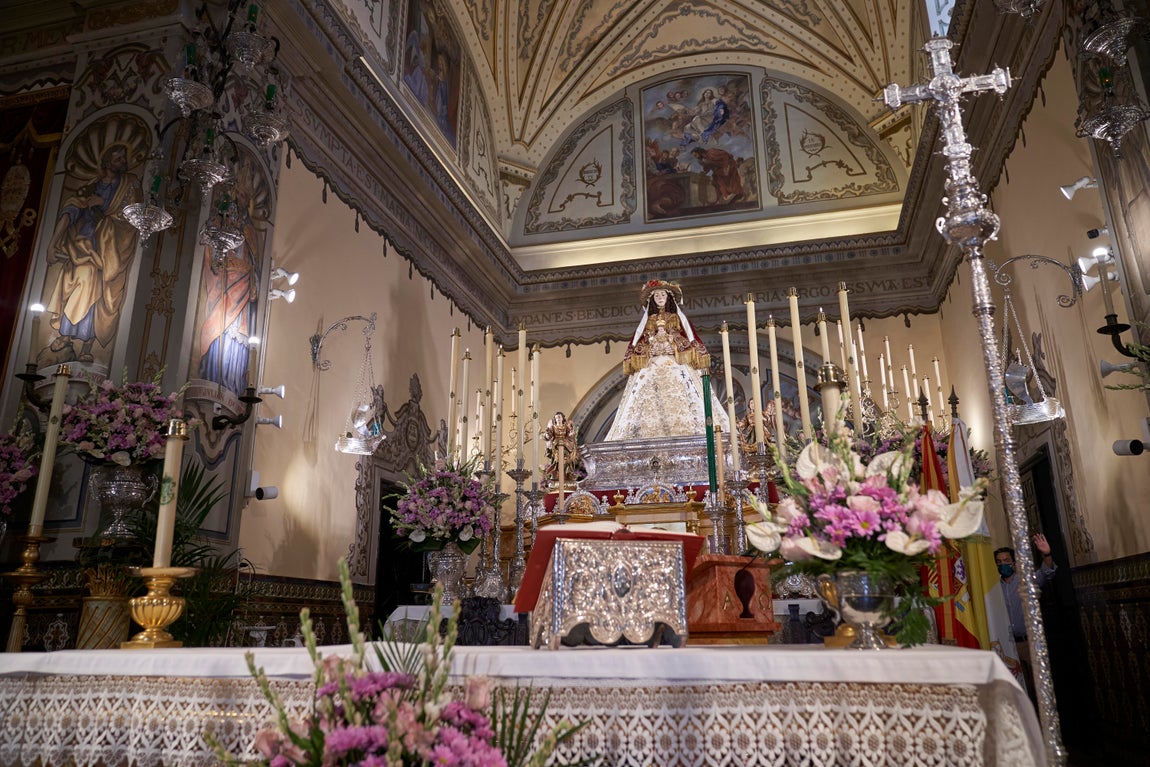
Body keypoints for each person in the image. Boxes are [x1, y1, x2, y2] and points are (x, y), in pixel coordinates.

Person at [44, 143, 141, 364]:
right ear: (107, 161)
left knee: (97, 292)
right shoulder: (92, 186)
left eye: (124, 159)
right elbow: (71, 211)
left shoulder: (128, 185)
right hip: (81, 246)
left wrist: (104, 206)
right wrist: (52, 244)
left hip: (107, 251)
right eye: (117, 159)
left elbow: (133, 218)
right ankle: (67, 336)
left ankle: (86, 344)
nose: (122, 163)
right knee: (78, 284)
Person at [605, 280, 729, 441]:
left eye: (663, 294)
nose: (660, 297)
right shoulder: (649, 321)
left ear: (668, 298)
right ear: (652, 299)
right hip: (652, 364)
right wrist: (651, 348)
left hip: (675, 363)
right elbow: (642, 342)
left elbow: (686, 340)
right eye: (656, 295)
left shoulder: (675, 318)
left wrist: (674, 347)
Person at [995, 533, 1057, 695]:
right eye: (999, 562)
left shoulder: (1026, 581)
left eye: (1006, 561)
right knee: (1018, 689)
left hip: (1028, 642)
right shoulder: (995, 588)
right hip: (1008, 644)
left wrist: (1047, 554)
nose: (1003, 565)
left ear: (1014, 563)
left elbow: (1046, 573)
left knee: (1038, 687)